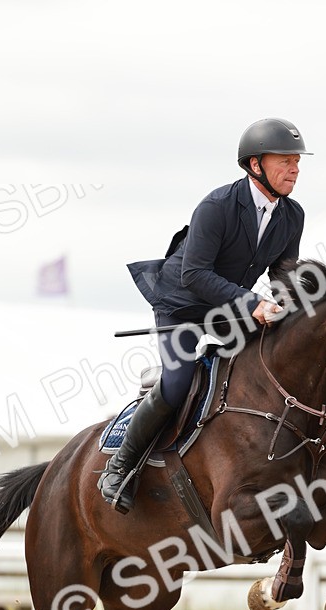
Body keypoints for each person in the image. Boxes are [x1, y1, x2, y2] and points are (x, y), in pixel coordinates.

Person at [98, 117, 310, 512]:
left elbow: (283, 273)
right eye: (285, 160)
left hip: (228, 306)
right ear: (255, 165)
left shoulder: (292, 215)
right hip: (181, 306)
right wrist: (253, 304)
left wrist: (297, 306)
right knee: (178, 384)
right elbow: (194, 274)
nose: (295, 168)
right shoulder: (218, 206)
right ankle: (120, 465)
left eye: (297, 161)